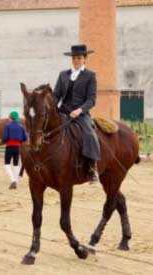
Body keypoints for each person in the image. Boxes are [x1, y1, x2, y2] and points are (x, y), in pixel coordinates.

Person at [53, 44, 100, 183]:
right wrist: (51, 107)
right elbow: (56, 95)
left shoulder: (90, 76)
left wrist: (79, 110)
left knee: (90, 134)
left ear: (85, 59)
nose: (76, 60)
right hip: (63, 111)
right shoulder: (63, 75)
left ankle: (92, 168)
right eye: (74, 58)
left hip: (80, 113)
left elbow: (91, 99)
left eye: (79, 58)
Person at [1, 111, 27, 190]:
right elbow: (25, 138)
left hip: (9, 147)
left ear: (11, 117)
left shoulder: (7, 126)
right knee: (16, 164)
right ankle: (16, 180)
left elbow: (5, 137)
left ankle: (13, 180)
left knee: (6, 164)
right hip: (18, 147)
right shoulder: (21, 126)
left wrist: (2, 141)